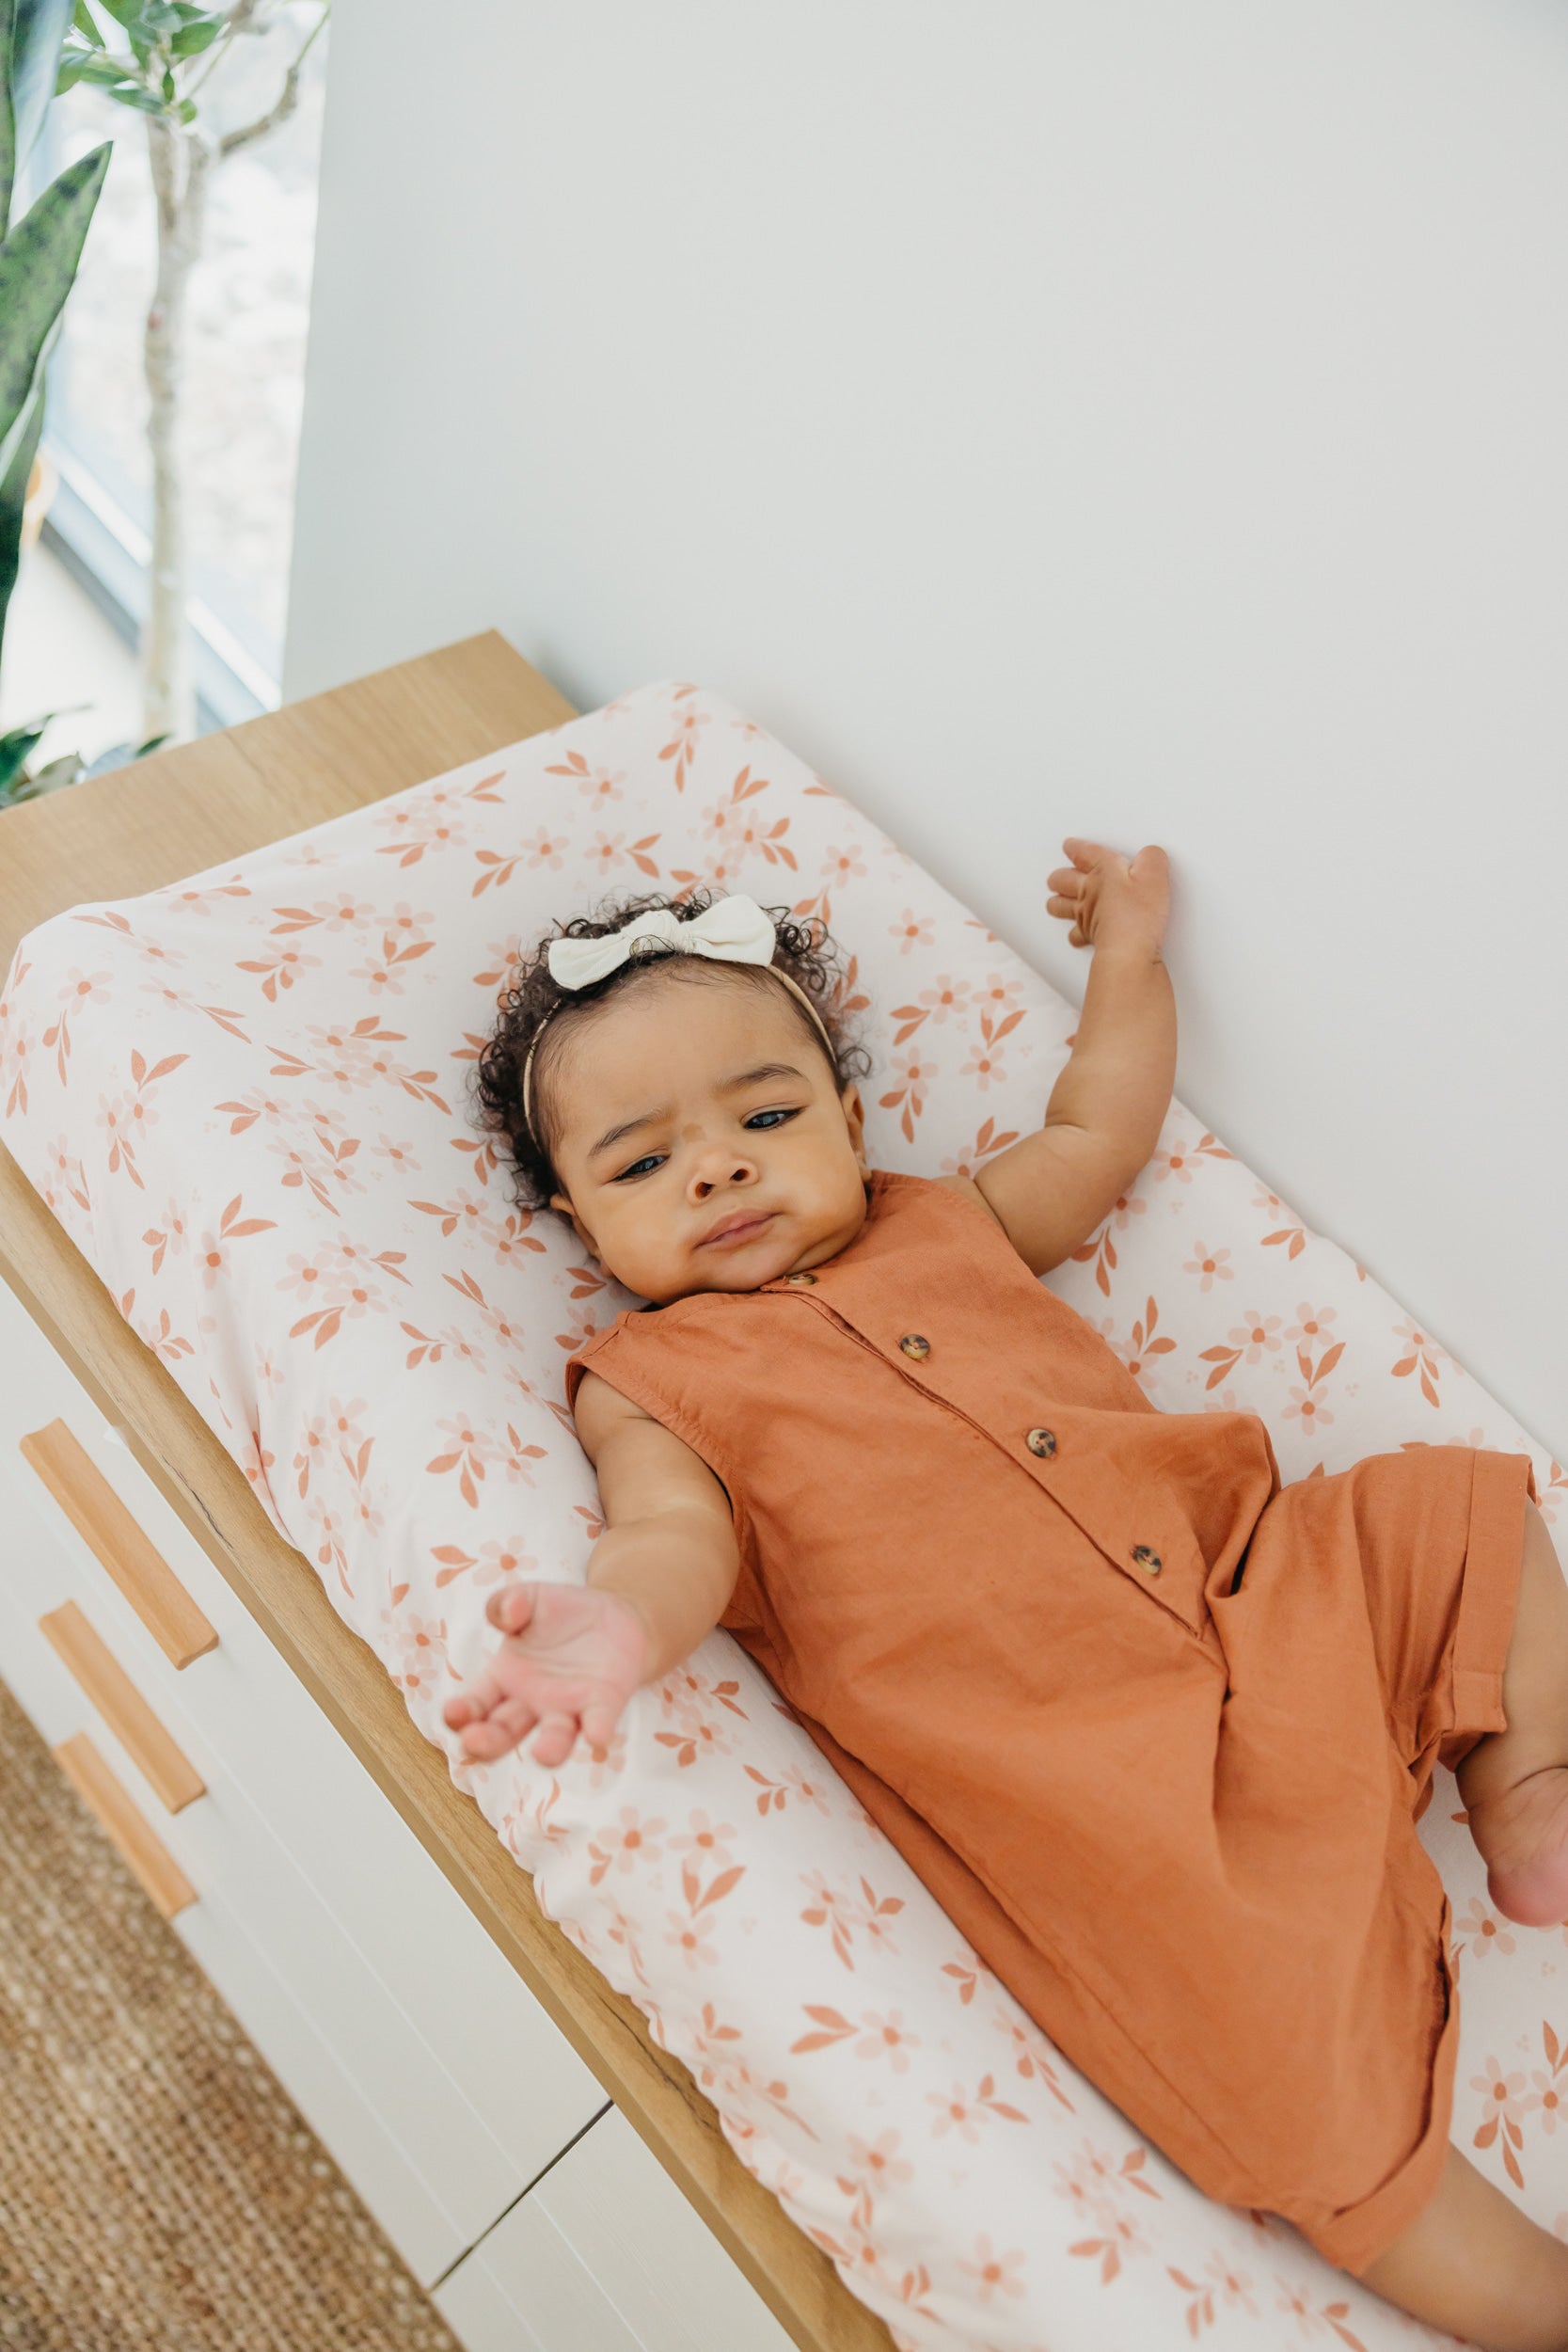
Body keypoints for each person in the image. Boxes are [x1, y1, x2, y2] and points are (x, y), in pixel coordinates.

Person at [445, 854, 1568, 2348]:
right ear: (580, 1226)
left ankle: (1528, 1793)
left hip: (1261, 1600)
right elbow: (671, 1537)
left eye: (765, 1120)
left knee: (1455, 1510)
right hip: (1101, 1790)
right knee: (1283, 2074)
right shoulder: (652, 1383)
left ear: (851, 1127)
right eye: (642, 1165)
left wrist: (1130, 957)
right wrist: (621, 1626)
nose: (715, 1169)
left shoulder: (947, 1223)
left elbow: (1100, 1125)